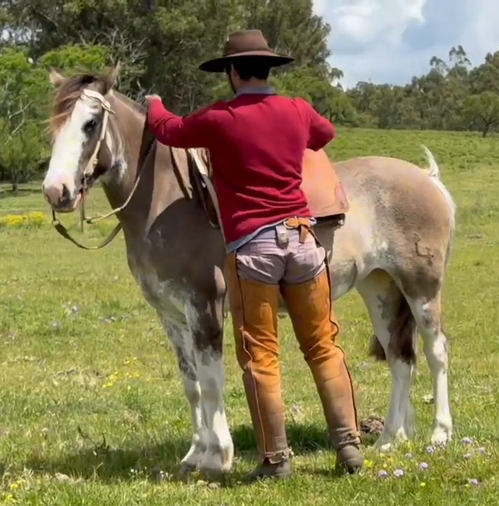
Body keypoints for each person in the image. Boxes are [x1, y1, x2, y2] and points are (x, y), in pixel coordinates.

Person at [144, 29, 364, 480]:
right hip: (305, 241)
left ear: (232, 72)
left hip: (254, 250)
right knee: (323, 346)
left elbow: (169, 130)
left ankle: (276, 460)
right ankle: (349, 448)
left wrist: (153, 103)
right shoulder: (297, 109)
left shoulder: (220, 118)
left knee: (261, 356)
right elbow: (325, 134)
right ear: (268, 70)